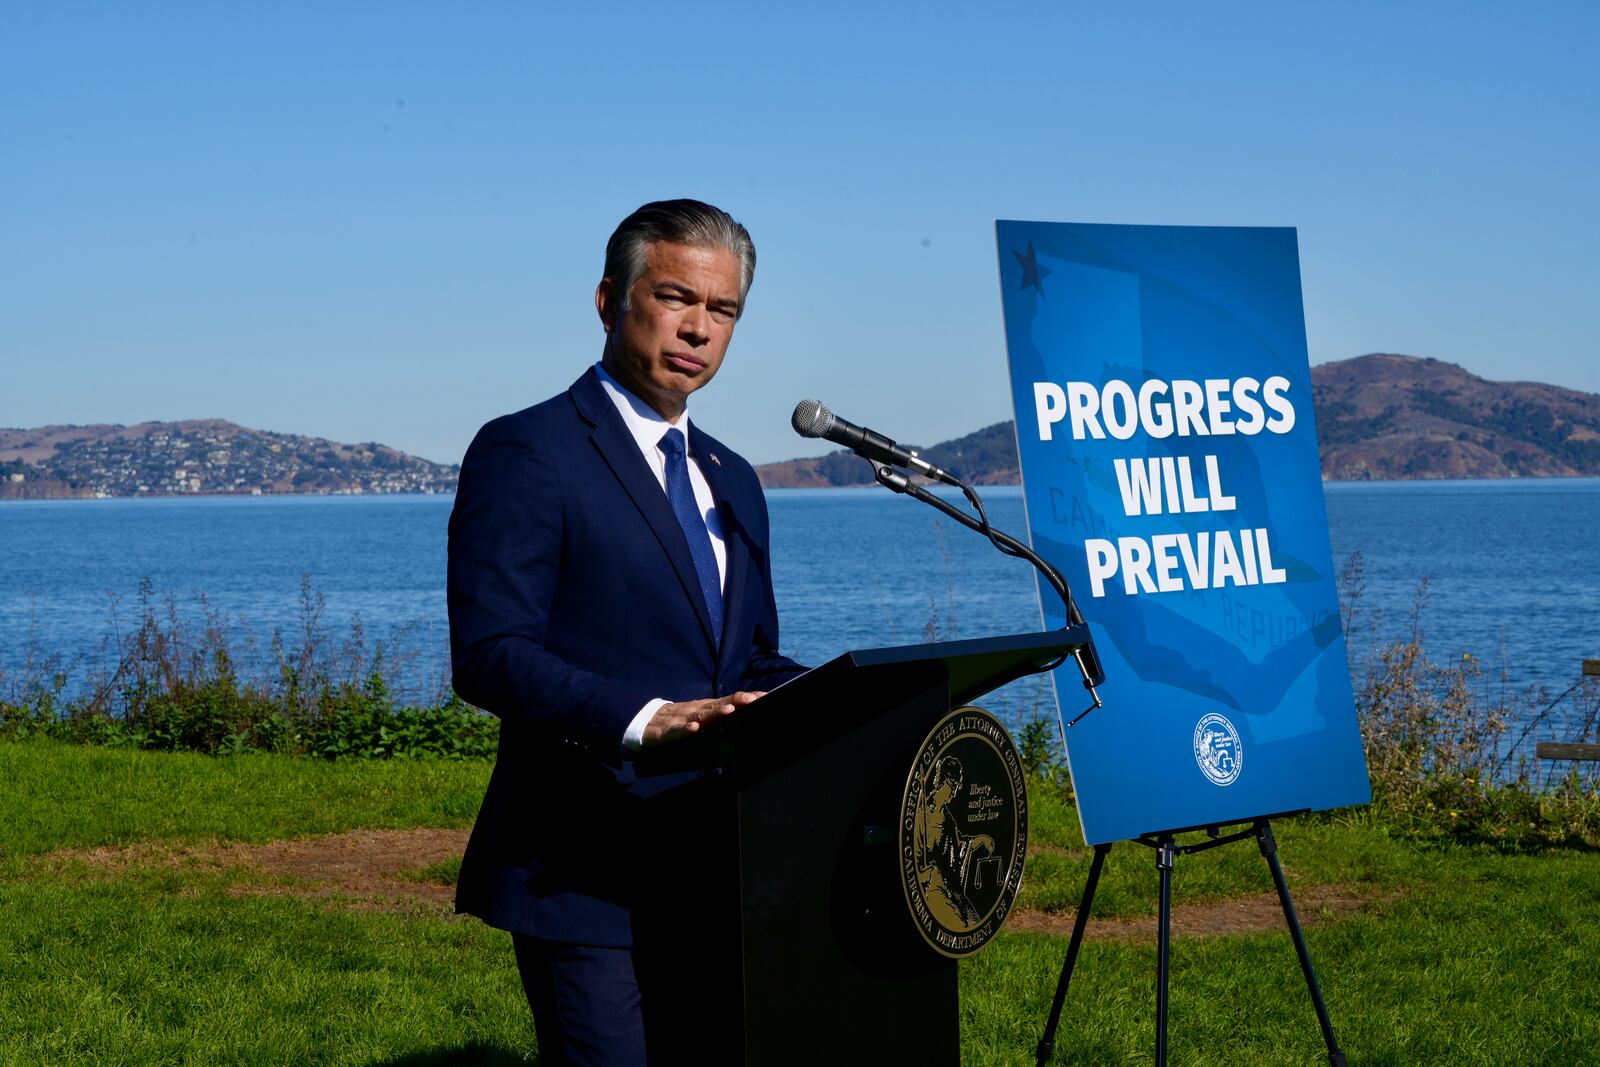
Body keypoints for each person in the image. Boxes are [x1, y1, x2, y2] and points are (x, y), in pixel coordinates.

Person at [446, 198, 808, 1065]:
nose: (699, 328)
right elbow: (490, 655)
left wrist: (849, 695)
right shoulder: (526, 451)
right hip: (580, 866)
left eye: (723, 311)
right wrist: (649, 717)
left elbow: (746, 655)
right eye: (677, 297)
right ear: (610, 300)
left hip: (714, 866)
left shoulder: (734, 478)